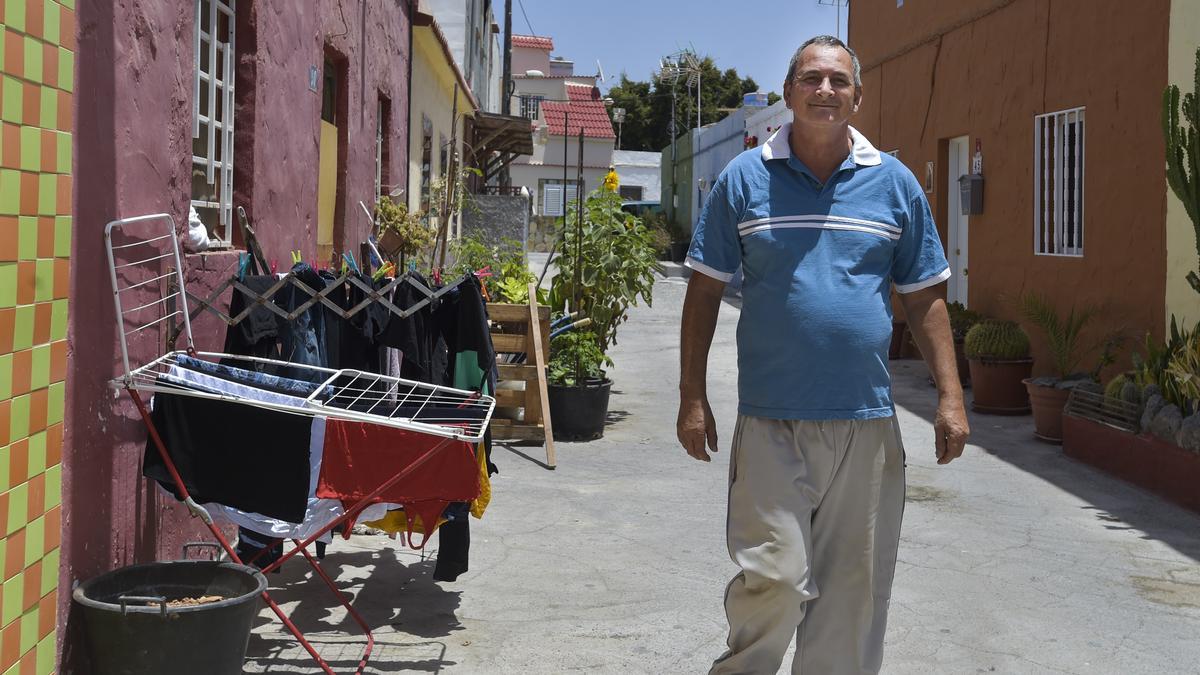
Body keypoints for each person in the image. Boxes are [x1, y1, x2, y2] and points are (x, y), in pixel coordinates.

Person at [676, 35, 969, 674]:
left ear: (858, 97)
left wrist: (950, 396)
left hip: (866, 425)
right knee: (774, 580)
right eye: (811, 78)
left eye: (838, 81)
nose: (825, 91)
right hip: (771, 419)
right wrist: (691, 397)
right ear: (788, 93)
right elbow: (703, 293)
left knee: (852, 603)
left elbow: (924, 298)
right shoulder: (743, 179)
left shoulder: (894, 184)